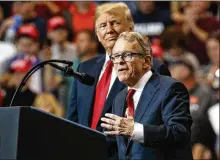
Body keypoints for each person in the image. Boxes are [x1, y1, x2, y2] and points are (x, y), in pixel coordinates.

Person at [67, 2, 171, 158]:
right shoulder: (84, 68)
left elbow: (160, 125)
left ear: (130, 28)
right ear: (97, 33)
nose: (109, 30)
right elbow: (72, 120)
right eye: (102, 25)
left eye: (115, 22)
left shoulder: (151, 67)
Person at [100, 31, 192, 160]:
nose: (119, 61)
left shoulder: (170, 88)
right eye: (115, 56)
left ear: (147, 61)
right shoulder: (119, 99)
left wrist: (135, 130)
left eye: (127, 55)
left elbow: (179, 134)